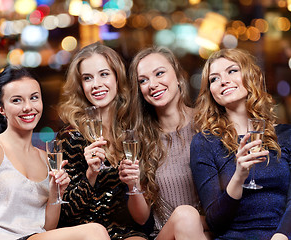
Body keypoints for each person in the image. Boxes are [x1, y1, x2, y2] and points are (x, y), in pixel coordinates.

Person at [0, 65, 110, 240]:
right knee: (94, 232)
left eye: (34, 98)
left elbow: (47, 227)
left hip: (32, 237)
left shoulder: (47, 158)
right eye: (17, 100)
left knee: (97, 231)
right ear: (1, 108)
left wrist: (55, 193)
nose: (28, 107)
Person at [190, 48, 291, 240]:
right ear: (211, 92)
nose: (224, 81)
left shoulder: (286, 135)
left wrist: (282, 235)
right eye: (214, 79)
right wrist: (238, 177)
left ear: (250, 75)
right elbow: (214, 221)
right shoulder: (205, 142)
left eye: (232, 71)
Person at [56, 42, 148, 240]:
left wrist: (133, 184)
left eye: (104, 74)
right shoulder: (71, 136)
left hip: (124, 231)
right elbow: (65, 214)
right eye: (87, 78)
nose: (96, 84)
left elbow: (141, 219)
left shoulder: (130, 131)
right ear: (81, 86)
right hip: (85, 233)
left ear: (117, 77)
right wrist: (90, 174)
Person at [119, 46, 210, 240]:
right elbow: (142, 218)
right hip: (166, 236)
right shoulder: (139, 139)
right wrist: (132, 185)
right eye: (143, 80)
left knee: (188, 218)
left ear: (178, 76)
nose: (152, 84)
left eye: (159, 73)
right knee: (185, 217)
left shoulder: (207, 124)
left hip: (209, 232)